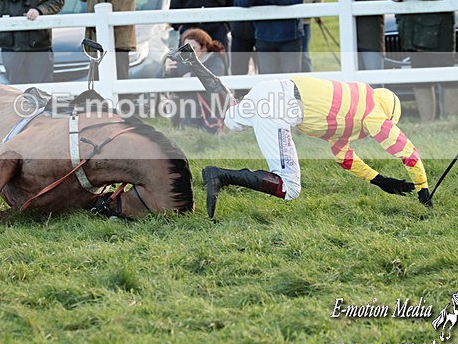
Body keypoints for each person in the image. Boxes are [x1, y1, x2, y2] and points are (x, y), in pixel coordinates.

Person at [164, 45, 430, 218]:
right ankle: (220, 175)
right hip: (283, 105)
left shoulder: (355, 104)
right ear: (387, 114)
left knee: (231, 119)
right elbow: (406, 151)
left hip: (269, 90)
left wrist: (380, 180)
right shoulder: (373, 112)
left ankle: (192, 61)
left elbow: (344, 156)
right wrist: (422, 187)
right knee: (290, 187)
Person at [162, 28, 228, 133]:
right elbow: (170, 83)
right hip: (188, 105)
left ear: (204, 47)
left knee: (211, 132)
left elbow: (215, 77)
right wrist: (168, 70)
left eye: (194, 48)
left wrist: (192, 76)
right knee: (186, 130)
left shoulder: (215, 59)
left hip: (211, 105)